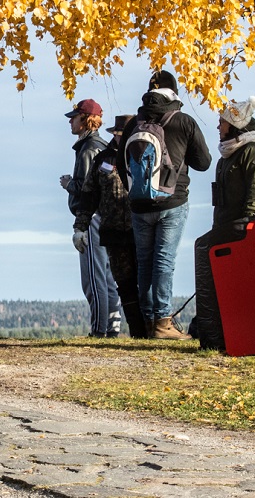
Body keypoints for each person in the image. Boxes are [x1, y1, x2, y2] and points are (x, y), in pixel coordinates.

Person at [119, 70, 212, 340]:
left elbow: (120, 166)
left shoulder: (133, 124)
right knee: (164, 261)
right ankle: (163, 322)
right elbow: (203, 163)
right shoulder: (183, 121)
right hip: (173, 202)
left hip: (138, 206)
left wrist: (137, 192)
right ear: (174, 92)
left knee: (145, 262)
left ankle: (149, 322)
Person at [193, 96, 255, 352]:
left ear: (235, 124)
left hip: (242, 225)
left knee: (202, 248)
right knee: (206, 251)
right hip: (225, 224)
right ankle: (213, 335)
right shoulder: (226, 157)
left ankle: (215, 336)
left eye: (222, 122)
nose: (219, 127)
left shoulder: (250, 152)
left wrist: (248, 226)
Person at [73, 114, 146, 338]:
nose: (118, 136)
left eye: (122, 133)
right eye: (117, 132)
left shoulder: (143, 156)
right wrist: (80, 227)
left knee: (143, 281)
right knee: (122, 283)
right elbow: (88, 195)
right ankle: (135, 331)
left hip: (140, 230)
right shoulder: (102, 159)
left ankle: (148, 329)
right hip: (112, 230)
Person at [63, 98, 122, 337]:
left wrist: (69, 185)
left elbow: (89, 188)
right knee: (107, 276)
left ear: (86, 120)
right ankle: (112, 327)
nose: (70, 121)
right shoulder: (100, 147)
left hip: (92, 218)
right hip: (105, 217)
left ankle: (99, 329)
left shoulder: (89, 149)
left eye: (74, 117)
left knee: (93, 277)